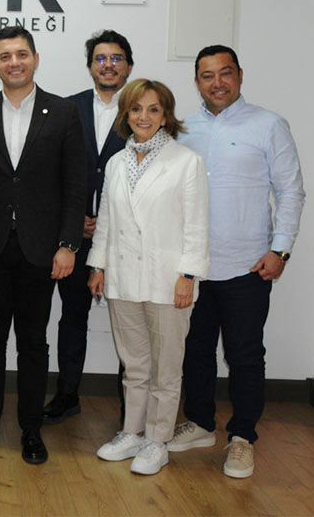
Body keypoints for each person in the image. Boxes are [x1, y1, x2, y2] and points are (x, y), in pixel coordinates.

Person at [169, 45, 305, 479]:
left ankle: (243, 436)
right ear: (196, 82)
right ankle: (201, 423)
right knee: (195, 350)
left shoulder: (269, 125)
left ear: (240, 76)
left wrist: (280, 249)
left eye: (225, 73)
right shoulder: (181, 130)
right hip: (193, 266)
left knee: (245, 354)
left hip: (248, 265)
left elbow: (290, 191)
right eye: (207, 75)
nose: (217, 83)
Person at [0, 26, 87, 465]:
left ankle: (31, 428)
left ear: (35, 59)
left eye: (22, 54)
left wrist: (68, 244)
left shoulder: (63, 112)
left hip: (41, 249)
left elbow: (75, 186)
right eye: (6, 56)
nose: (14, 62)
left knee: (33, 342)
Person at [88, 79, 209, 476]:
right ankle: (132, 432)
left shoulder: (186, 162)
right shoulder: (116, 163)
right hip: (123, 277)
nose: (144, 117)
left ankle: (158, 440)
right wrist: (98, 265)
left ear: (165, 115)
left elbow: (196, 225)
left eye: (153, 109)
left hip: (167, 281)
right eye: (136, 109)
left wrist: (188, 274)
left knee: (166, 369)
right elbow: (106, 221)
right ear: (126, 115)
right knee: (135, 365)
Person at [45, 29, 133, 425]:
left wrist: (110, 222)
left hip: (126, 240)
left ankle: (132, 402)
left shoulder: (142, 109)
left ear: (128, 66)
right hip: (76, 237)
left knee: (130, 323)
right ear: (90, 66)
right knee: (72, 317)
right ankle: (67, 394)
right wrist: (71, 220)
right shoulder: (67, 109)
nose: (108, 65)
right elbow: (51, 172)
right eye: (100, 58)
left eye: (116, 58)